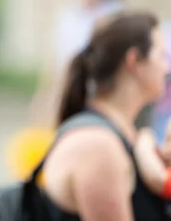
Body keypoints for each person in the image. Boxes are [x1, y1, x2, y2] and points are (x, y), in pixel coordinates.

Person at [40, 12, 171, 220]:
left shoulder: (124, 136)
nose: (167, 67)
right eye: (161, 56)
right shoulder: (98, 146)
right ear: (134, 60)